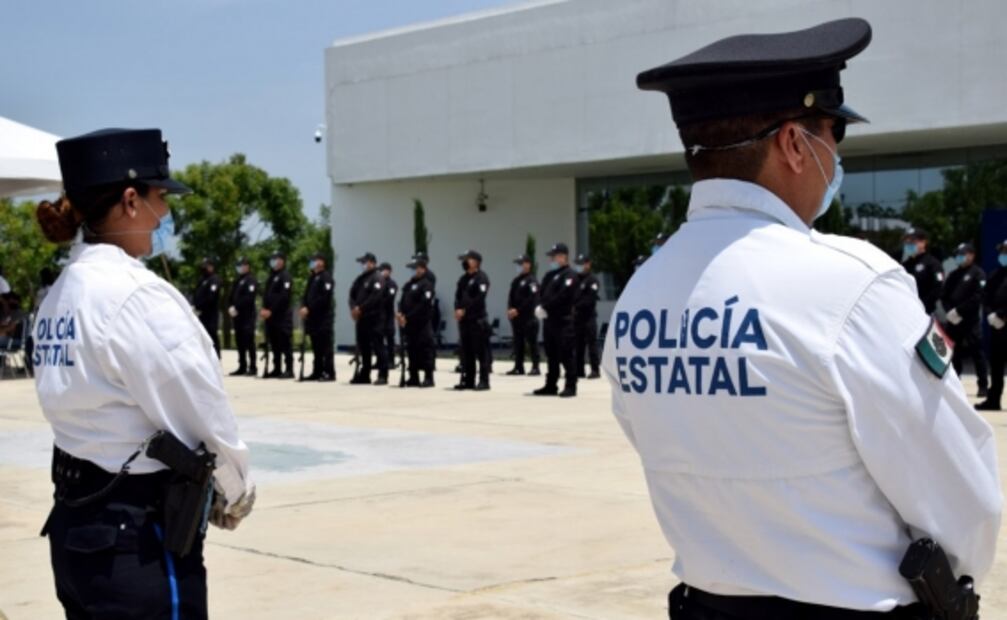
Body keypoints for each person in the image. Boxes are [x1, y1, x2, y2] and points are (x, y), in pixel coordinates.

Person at [608, 19, 1000, 619]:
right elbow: (961, 493)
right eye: (832, 135)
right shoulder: (851, 283)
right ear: (794, 144)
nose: (835, 155)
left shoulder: (641, 292)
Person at [32, 127, 254, 618]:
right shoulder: (135, 296)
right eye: (160, 198)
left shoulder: (59, 296)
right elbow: (201, 408)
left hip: (78, 529)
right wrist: (237, 490)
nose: (167, 214)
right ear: (130, 201)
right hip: (138, 540)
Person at [942, 242, 988, 398]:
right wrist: (949, 311)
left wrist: (959, 311)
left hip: (970, 320)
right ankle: (955, 383)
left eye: (963, 254)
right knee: (953, 354)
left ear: (971, 255)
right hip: (953, 321)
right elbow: (945, 295)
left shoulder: (978, 273)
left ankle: (983, 386)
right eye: (958, 254)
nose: (959, 256)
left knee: (977, 353)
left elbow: (978, 296)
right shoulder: (953, 275)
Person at [534, 243, 578, 398]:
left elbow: (564, 295)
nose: (551, 259)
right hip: (549, 321)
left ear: (563, 256)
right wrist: (540, 305)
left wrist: (545, 306)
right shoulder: (549, 275)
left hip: (563, 321)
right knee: (551, 354)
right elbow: (541, 293)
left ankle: (570, 386)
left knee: (566, 354)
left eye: (554, 256)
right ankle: (550, 384)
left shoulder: (570, 275)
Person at [348, 252, 387, 385]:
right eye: (362, 263)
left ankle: (383, 374)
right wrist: (353, 308)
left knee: (378, 346)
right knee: (364, 347)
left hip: (375, 318)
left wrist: (361, 308)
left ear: (372, 263)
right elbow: (352, 294)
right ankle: (365, 374)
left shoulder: (378, 277)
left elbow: (375, 297)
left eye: (365, 262)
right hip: (361, 318)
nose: (363, 265)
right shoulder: (360, 279)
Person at [454, 249, 491, 391]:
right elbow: (457, 297)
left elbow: (479, 299)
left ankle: (484, 381)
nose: (464, 262)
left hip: (477, 320)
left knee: (481, 352)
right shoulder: (463, 279)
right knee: (467, 352)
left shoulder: (481, 278)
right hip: (464, 321)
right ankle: (468, 380)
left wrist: (465, 310)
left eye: (467, 259)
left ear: (476, 262)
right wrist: (457, 309)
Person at [397, 256, 436, 387]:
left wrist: (408, 316)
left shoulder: (426, 284)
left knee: (425, 350)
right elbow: (402, 302)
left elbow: (423, 304)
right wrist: (401, 315)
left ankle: (428, 377)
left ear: (422, 269)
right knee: (412, 350)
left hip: (422, 323)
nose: (413, 271)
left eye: (415, 268)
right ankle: (413, 376)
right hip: (409, 324)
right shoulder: (409, 284)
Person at [977, 241, 1007, 411]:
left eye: (1006, 251)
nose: (1003, 254)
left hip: (1004, 321)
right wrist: (990, 314)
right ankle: (993, 400)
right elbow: (986, 296)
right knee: (996, 368)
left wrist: (1002, 315)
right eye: (1002, 251)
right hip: (997, 328)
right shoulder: (995, 274)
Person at [299, 253, 335, 381]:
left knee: (325, 347)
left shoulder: (326, 277)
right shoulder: (312, 277)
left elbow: (324, 298)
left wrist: (309, 308)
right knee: (316, 347)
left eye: (315, 260)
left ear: (322, 262)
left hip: (323, 318)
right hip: (312, 318)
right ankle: (317, 371)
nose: (313, 263)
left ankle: (329, 372)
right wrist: (303, 306)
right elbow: (306, 295)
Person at [506, 254, 541, 376]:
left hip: (528, 318)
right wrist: (510, 309)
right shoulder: (516, 281)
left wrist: (518, 310)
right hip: (516, 318)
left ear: (528, 265)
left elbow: (532, 299)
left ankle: (536, 367)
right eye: (517, 264)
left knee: (532, 343)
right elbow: (511, 297)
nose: (518, 266)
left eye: (520, 263)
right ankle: (518, 366)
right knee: (518, 343)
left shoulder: (532, 281)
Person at [261, 251, 294, 379]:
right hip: (270, 317)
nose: (273, 261)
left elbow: (284, 297)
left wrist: (271, 310)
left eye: (276, 259)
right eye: (272, 258)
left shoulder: (285, 276)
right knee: (274, 344)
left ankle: (289, 369)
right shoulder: (272, 276)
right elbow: (267, 296)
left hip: (282, 316)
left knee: (285, 343)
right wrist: (264, 308)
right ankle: (277, 368)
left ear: (282, 261)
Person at [901, 227, 944, 314]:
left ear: (923, 242)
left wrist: (922, 305)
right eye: (907, 242)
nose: (909, 245)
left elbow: (938, 288)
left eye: (912, 242)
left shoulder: (932, 263)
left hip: (926, 311)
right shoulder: (905, 265)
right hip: (907, 311)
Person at [227, 257, 258, 376]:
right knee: (239, 342)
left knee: (249, 342)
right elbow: (231, 296)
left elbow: (249, 298)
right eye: (238, 265)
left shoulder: (251, 280)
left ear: (247, 266)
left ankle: (253, 367)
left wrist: (237, 307)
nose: (239, 267)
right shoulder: (238, 280)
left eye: (242, 265)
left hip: (247, 316)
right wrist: (230, 307)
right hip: (237, 316)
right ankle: (242, 366)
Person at [573, 253, 601, 379]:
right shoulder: (575, 280)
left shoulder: (592, 280)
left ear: (588, 264)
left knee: (592, 344)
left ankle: (595, 370)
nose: (579, 266)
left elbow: (590, 299)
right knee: (578, 345)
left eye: (581, 263)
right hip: (577, 318)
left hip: (588, 317)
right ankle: (579, 370)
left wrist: (575, 306)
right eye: (577, 264)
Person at [192, 257, 222, 358]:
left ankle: (216, 357)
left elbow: (211, 297)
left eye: (206, 266)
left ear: (211, 267)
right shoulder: (202, 279)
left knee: (211, 335)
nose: (204, 269)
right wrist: (195, 306)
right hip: (200, 314)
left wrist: (200, 306)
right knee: (202, 336)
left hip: (210, 314)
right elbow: (196, 294)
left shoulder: (214, 279)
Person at [378, 262, 399, 374]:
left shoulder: (392, 284)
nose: (382, 272)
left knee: (390, 339)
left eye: (384, 270)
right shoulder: (378, 283)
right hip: (379, 316)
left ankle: (391, 360)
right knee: (379, 340)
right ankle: (380, 361)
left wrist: (377, 302)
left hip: (388, 316)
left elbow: (389, 298)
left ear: (389, 271)